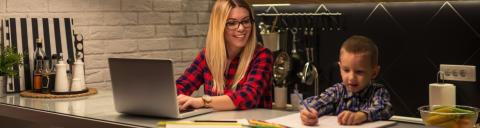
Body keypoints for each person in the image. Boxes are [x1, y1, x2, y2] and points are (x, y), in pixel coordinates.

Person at [175, 0, 273, 111]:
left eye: (246, 21)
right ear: (219, 26)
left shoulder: (262, 56)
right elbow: (182, 86)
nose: (241, 28)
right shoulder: (207, 56)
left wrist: (202, 101)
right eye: (232, 23)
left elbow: (248, 97)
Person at [300, 35, 393, 126]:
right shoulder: (337, 91)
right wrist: (308, 112)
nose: (351, 77)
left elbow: (385, 109)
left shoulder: (378, 92)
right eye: (346, 70)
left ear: (374, 73)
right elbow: (317, 103)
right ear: (340, 68)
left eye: (359, 72)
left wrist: (362, 115)